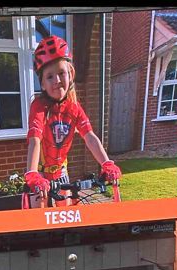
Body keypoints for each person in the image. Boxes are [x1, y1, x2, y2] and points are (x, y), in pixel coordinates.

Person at [25, 36, 122, 207]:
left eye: (61, 73)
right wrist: (32, 174)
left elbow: (90, 137)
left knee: (67, 214)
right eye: (49, 76)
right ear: (42, 84)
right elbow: (35, 139)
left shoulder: (74, 107)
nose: (56, 80)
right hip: (40, 173)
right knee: (38, 220)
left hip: (61, 171)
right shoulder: (39, 106)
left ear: (70, 74)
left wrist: (106, 163)